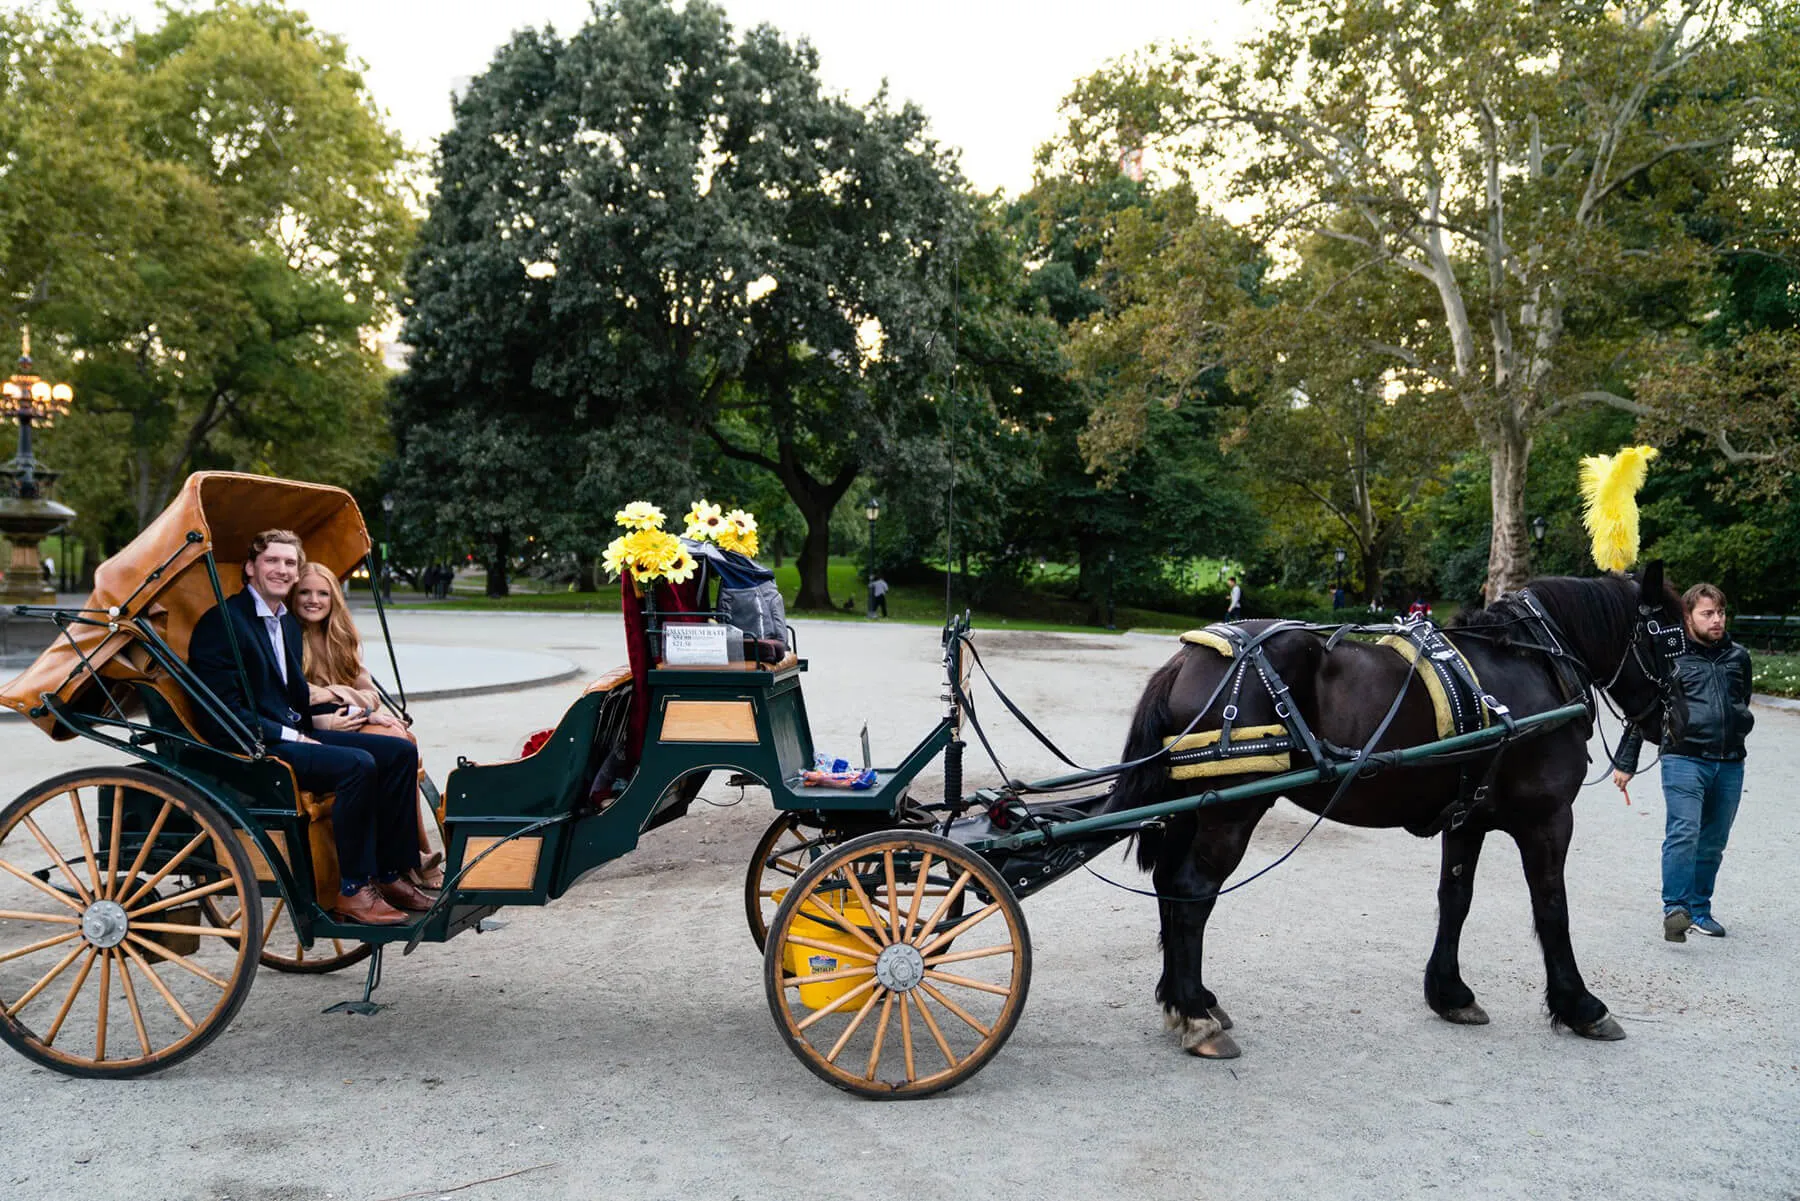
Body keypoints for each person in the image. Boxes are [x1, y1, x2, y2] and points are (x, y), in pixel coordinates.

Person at [187, 530, 430, 925]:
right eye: (272, 561)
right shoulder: (224, 622)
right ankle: (352, 888)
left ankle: (389, 873)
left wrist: (363, 716)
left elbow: (298, 699)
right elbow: (223, 715)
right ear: (251, 567)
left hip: (288, 732)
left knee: (399, 751)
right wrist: (290, 734)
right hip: (249, 745)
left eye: (289, 563)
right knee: (357, 765)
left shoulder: (285, 625)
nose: (282, 570)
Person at [1613, 582, 1754, 942]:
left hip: (1730, 762)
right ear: (1688, 617)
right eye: (1707, 613)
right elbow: (1643, 713)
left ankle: (1700, 910)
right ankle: (1675, 910)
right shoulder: (1670, 658)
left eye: (1720, 612)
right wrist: (1625, 763)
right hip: (1683, 759)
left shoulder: (1738, 657)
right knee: (1685, 831)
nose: (1717, 619)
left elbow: (1742, 701)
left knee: (1713, 842)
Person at [291, 562, 445, 888]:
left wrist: (340, 698)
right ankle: (412, 856)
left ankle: (411, 854)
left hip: (349, 716)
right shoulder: (290, 636)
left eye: (322, 593)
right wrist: (337, 708)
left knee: (402, 738)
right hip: (316, 723)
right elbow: (297, 697)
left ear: (334, 598)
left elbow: (369, 695)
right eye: (304, 592)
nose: (313, 600)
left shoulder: (342, 635)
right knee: (395, 743)